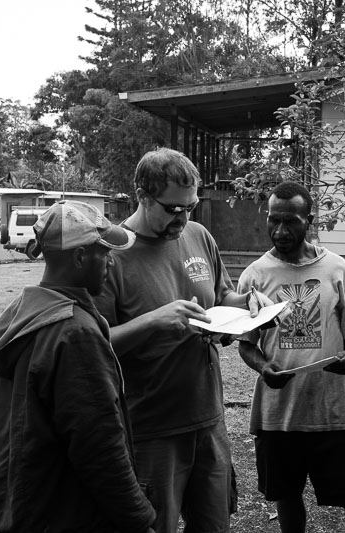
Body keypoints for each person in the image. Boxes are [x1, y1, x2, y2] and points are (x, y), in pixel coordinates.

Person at [94, 148, 269, 533]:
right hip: (151, 428)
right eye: (173, 209)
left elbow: (222, 297)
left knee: (214, 525)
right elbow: (93, 345)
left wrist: (249, 304)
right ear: (142, 195)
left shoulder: (198, 236)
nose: (184, 219)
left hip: (208, 418)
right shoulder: (111, 255)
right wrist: (154, 322)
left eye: (191, 207)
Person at [0, 200, 156, 533]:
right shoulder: (74, 333)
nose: (111, 261)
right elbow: (99, 447)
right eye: (104, 252)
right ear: (80, 257)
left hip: (21, 500)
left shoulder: (24, 311)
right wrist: (140, 520)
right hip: (62, 513)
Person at [237, 181, 345, 533]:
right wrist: (263, 367)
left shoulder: (336, 268)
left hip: (335, 412)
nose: (280, 231)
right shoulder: (254, 275)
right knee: (287, 498)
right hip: (279, 416)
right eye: (273, 220)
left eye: (290, 222)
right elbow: (246, 344)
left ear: (309, 221)